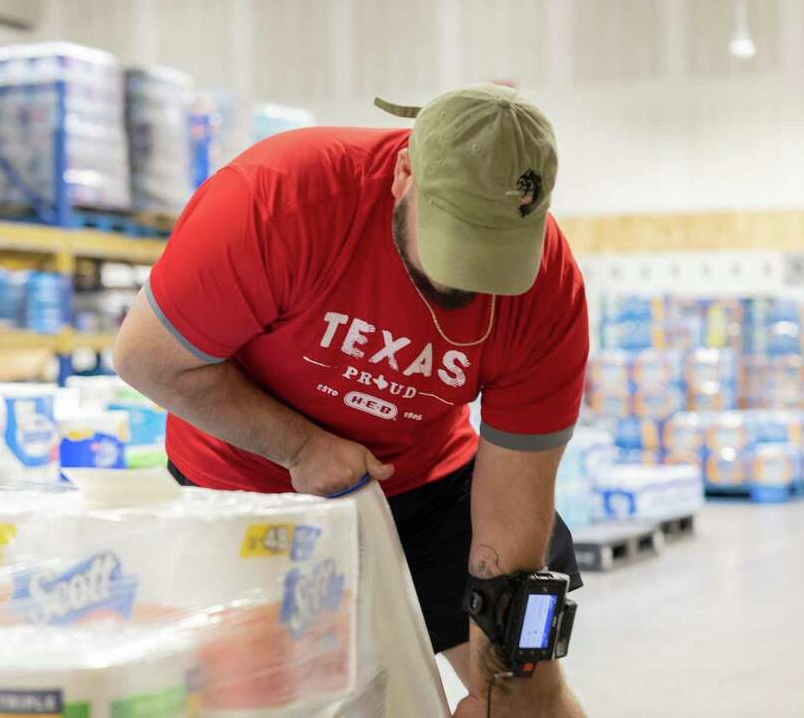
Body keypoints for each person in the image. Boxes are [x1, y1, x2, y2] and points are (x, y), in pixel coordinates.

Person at [112, 83, 588, 718]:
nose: (467, 280)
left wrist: (500, 690)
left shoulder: (549, 291)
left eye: (492, 256)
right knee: (264, 696)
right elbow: (147, 359)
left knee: (531, 698)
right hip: (242, 479)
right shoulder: (280, 200)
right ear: (403, 173)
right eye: (452, 247)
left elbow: (512, 517)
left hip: (424, 480)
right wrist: (300, 445)